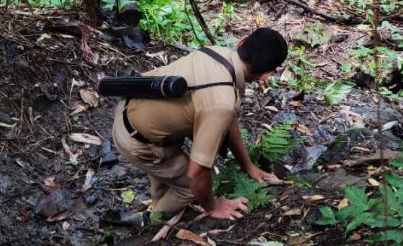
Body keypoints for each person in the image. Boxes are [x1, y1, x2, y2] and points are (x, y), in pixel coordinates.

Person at [111, 28, 288, 221]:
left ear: (241, 42)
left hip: (135, 109)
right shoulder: (222, 102)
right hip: (137, 140)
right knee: (191, 186)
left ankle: (160, 203)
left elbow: (227, 120)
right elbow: (197, 174)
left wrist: (248, 166)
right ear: (265, 75)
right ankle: (150, 221)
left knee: (170, 172)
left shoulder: (215, 53)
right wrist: (214, 207)